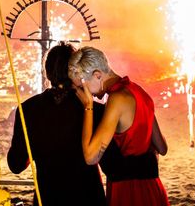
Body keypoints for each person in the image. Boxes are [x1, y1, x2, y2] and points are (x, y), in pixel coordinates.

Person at [7, 43, 106, 206]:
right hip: (89, 198)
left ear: (47, 72)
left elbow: (16, 165)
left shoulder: (28, 109)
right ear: (76, 71)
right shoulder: (95, 110)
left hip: (49, 198)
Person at [69, 46, 169, 206]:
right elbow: (162, 147)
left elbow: (90, 157)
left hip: (129, 191)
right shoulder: (139, 91)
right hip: (152, 187)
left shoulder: (117, 99)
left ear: (97, 75)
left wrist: (88, 106)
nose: (86, 93)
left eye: (83, 87)